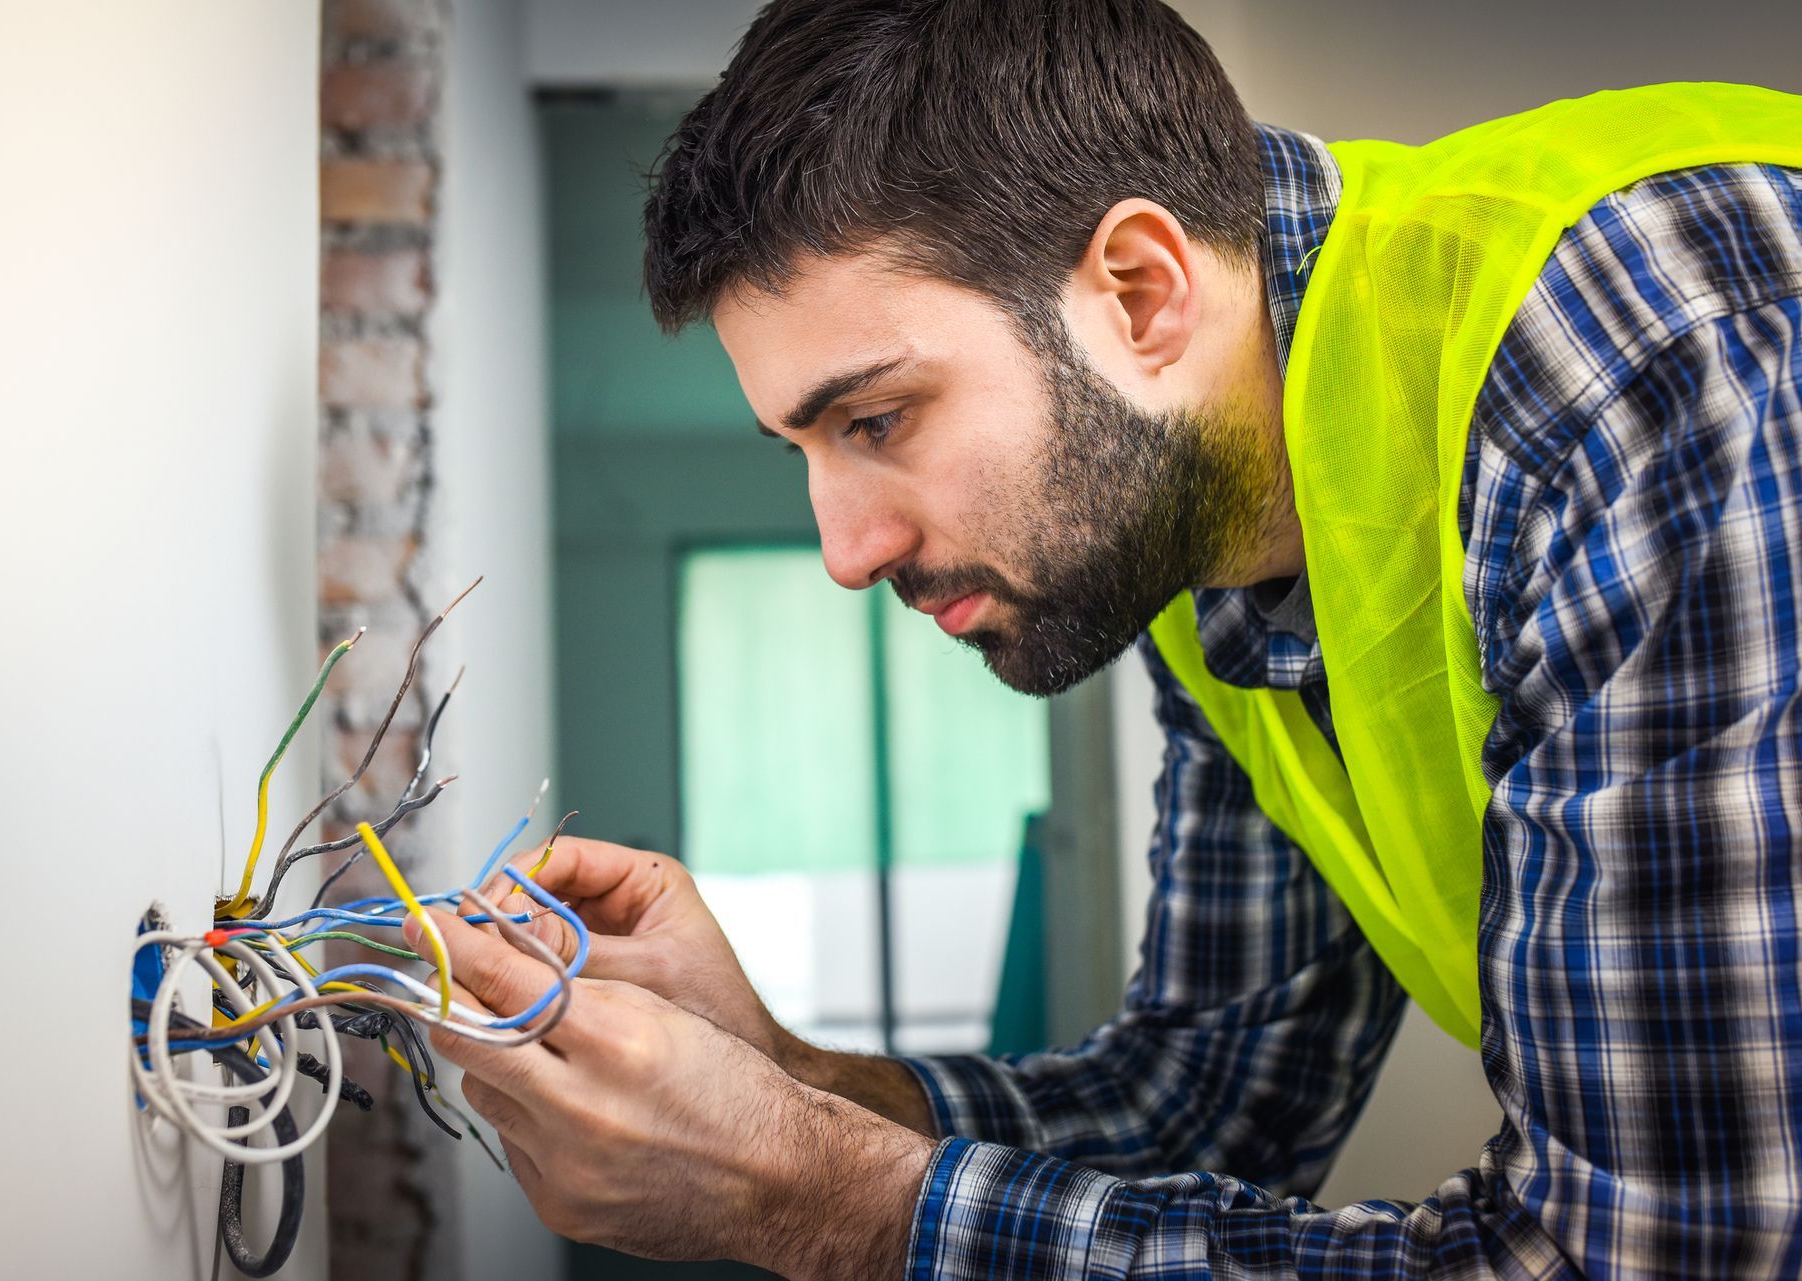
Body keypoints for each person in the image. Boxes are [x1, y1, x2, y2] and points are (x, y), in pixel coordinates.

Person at [402, 1, 1802, 1275]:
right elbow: (1206, 1101)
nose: (844, 549)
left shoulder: (1650, 370)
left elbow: (1664, 1252)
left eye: (876, 419)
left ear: (1139, 291)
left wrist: (813, 1194)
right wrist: (782, 1076)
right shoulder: (1205, 527)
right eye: (805, 449)